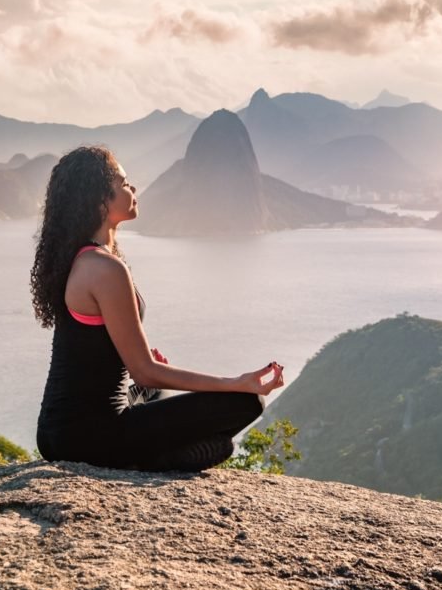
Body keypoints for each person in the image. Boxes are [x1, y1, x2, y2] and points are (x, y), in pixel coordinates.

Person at [32, 146, 284, 471]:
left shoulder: (82, 258)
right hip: (88, 437)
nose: (133, 188)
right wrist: (237, 382)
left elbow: (102, 355)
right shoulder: (105, 268)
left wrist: (148, 375)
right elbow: (144, 370)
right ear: (100, 200)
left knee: (155, 395)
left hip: (59, 432)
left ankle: (161, 451)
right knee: (248, 402)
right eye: (123, 183)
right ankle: (161, 457)